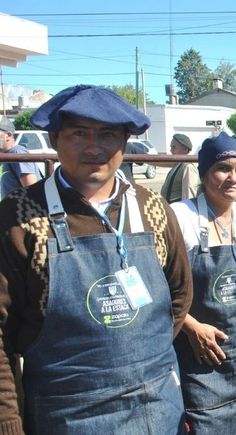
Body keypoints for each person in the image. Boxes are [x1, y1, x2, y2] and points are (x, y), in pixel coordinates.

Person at [0, 85, 193, 433]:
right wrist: (9, 423)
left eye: (108, 134)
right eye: (79, 134)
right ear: (55, 139)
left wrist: (137, 361)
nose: (94, 147)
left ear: (124, 142)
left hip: (156, 411)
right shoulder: (19, 215)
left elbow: (179, 297)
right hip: (66, 415)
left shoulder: (153, 209)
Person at [170, 133, 236, 434]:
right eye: (223, 168)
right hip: (196, 349)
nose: (233, 178)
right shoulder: (181, 216)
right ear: (204, 173)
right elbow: (160, 287)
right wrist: (193, 328)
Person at [0, 115, 40, 199]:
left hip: (20, 210)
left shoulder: (17, 153)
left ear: (8, 135)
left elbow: (32, 189)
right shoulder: (6, 156)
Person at [161, 133, 200, 203]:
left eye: (174, 147)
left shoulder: (188, 167)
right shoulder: (178, 166)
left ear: (185, 149)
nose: (171, 150)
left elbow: (189, 197)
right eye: (171, 147)